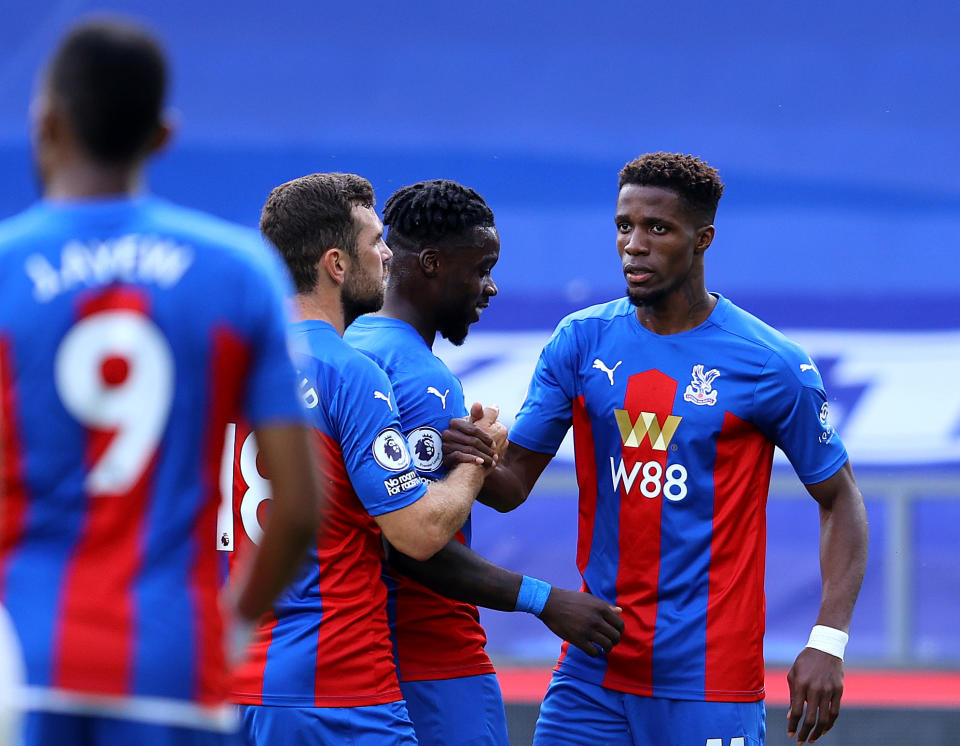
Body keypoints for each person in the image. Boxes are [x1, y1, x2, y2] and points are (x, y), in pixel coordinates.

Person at [448, 152, 869, 745]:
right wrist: (451, 446)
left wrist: (828, 639)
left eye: (658, 229)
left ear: (704, 239)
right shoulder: (581, 340)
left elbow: (840, 498)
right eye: (624, 226)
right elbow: (511, 484)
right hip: (593, 664)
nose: (634, 245)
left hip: (709, 679)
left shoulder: (769, 364)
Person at [0, 20, 319, 746]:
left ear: (46, 125)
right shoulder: (237, 271)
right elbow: (299, 509)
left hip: (21, 660)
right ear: (163, 136)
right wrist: (232, 626)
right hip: (173, 661)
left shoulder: (6, 267)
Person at [228, 172, 506, 745]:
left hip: (235, 681)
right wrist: (477, 459)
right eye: (375, 241)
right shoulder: (349, 373)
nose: (386, 255)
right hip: (336, 685)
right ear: (335, 264)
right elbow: (420, 534)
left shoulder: (229, 363)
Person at [344, 179, 625, 746]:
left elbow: (502, 489)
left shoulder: (345, 346)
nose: (491, 288)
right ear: (430, 263)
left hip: (356, 654)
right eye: (481, 268)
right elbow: (414, 544)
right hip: (434, 660)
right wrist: (545, 600)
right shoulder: (418, 376)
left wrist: (482, 450)